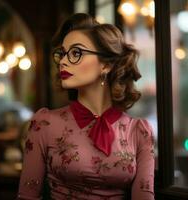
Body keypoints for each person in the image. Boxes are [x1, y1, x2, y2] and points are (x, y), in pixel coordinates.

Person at [17, 13, 155, 200]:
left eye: (76, 53)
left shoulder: (139, 131)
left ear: (106, 65)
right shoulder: (45, 123)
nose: (64, 61)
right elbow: (27, 196)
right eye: (63, 54)